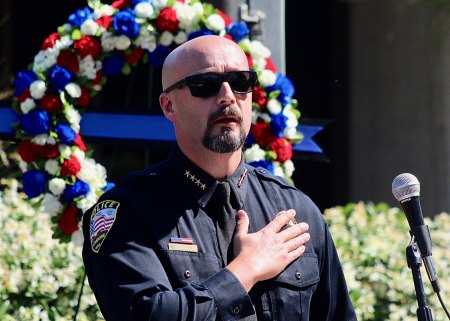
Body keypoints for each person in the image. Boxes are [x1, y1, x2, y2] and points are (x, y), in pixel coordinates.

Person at [82, 35, 357, 321]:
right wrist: (245, 271)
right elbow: (146, 315)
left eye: (240, 82)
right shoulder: (128, 211)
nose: (227, 96)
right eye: (206, 84)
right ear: (168, 106)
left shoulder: (296, 210)